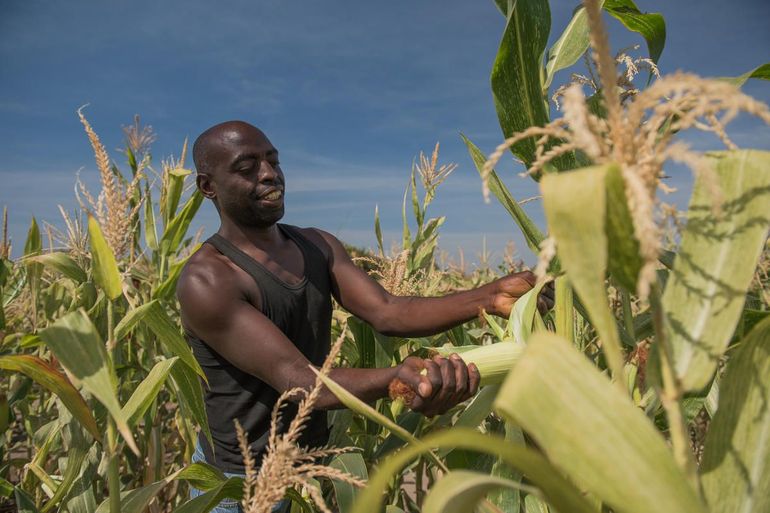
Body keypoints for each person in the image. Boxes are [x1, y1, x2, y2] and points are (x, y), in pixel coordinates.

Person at [177, 121, 553, 512]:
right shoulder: (208, 280)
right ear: (209, 187)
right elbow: (302, 381)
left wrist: (490, 296)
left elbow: (388, 312)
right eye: (247, 167)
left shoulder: (316, 243)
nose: (269, 173)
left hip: (312, 471)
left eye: (273, 160)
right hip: (242, 485)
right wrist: (399, 379)